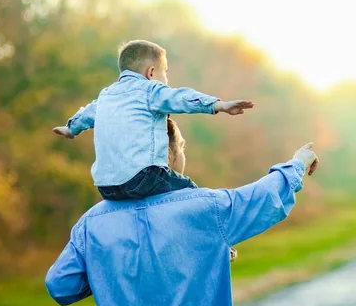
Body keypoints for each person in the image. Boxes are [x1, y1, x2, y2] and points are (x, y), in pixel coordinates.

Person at [45, 118, 319, 306]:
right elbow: (264, 197)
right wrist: (298, 163)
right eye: (182, 146)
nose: (183, 153)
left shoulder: (91, 224)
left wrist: (108, 269)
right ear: (167, 153)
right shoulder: (207, 208)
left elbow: (61, 286)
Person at [52, 39, 254, 201]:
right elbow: (181, 98)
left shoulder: (106, 96)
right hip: (143, 178)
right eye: (164, 72)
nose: (166, 80)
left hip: (106, 187)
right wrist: (219, 105)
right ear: (151, 72)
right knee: (194, 196)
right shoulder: (150, 90)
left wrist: (70, 129)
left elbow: (85, 115)